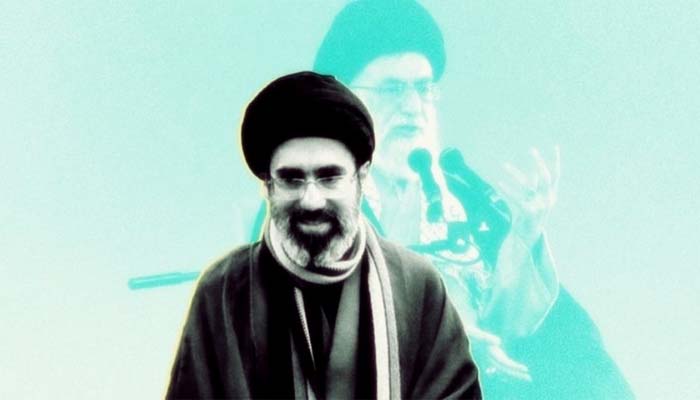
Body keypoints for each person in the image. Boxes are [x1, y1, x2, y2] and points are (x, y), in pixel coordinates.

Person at [313, 1, 634, 399]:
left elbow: (518, 324)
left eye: (423, 89)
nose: (413, 107)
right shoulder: (314, 202)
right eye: (393, 90)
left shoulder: (464, 193)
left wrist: (523, 236)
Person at [166, 71, 482, 399]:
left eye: (329, 177)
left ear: (361, 178)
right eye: (292, 179)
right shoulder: (223, 290)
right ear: (268, 185)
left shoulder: (416, 284)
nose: (311, 200)